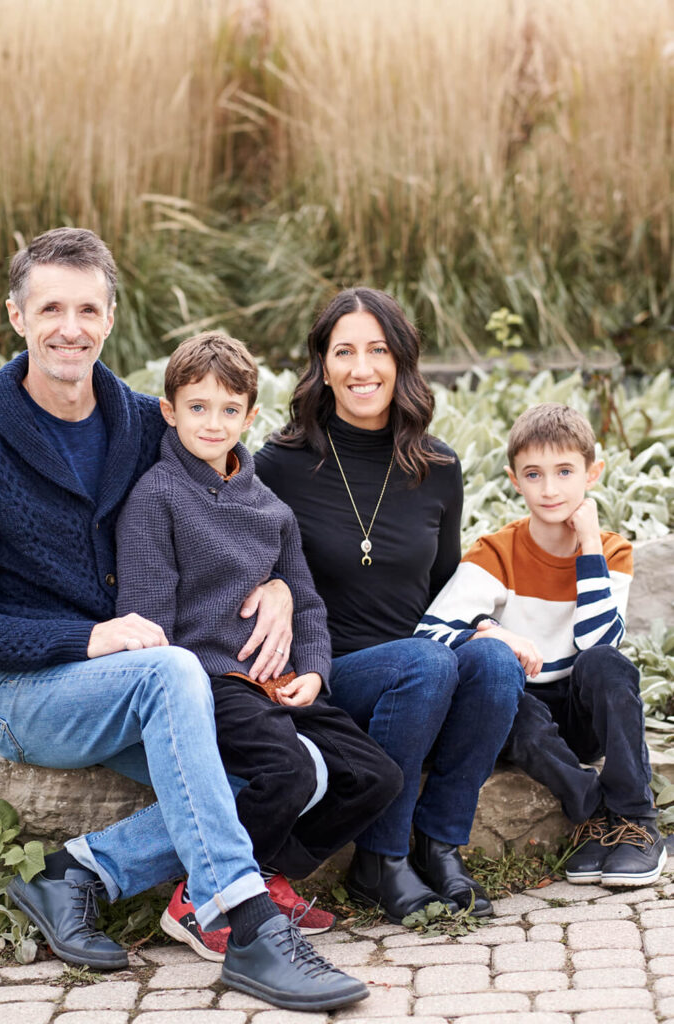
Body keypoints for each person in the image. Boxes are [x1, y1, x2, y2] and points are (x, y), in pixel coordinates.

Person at [0, 227, 369, 1012]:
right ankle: (247, 925)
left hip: (141, 681)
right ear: (16, 316)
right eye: (50, 307)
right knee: (171, 670)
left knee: (306, 769)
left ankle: (75, 873)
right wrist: (86, 637)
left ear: (111, 317)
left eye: (87, 308)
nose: (70, 327)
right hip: (29, 694)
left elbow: (234, 500)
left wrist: (282, 587)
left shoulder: (138, 421)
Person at [115, 331, 403, 958]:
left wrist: (317, 674)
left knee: (377, 775)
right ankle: (203, 897)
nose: (212, 423)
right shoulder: (157, 497)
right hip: (210, 680)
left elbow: (306, 602)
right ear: (169, 411)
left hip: (279, 683)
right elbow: (150, 628)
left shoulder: (271, 508)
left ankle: (262, 875)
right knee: (290, 770)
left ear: (249, 416)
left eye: (228, 410)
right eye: (197, 407)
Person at [254, 287, 523, 923]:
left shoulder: (438, 467)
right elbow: (246, 567)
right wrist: (271, 586)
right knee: (425, 665)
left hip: (419, 661)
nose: (362, 368)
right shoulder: (280, 464)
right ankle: (381, 859)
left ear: (401, 360)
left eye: (377, 350)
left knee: (495, 663)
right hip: (327, 673)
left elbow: (444, 584)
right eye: (343, 351)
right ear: (322, 364)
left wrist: (484, 627)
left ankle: (439, 846)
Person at [418, 402, 665, 886]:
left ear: (592, 474)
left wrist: (589, 545)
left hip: (584, 707)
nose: (549, 489)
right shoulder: (496, 551)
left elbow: (598, 640)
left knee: (605, 663)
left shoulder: (611, 550)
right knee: (509, 705)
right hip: (527, 720)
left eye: (565, 471)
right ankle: (594, 813)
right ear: (514, 479)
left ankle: (637, 821)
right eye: (534, 474)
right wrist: (492, 631)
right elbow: (429, 634)